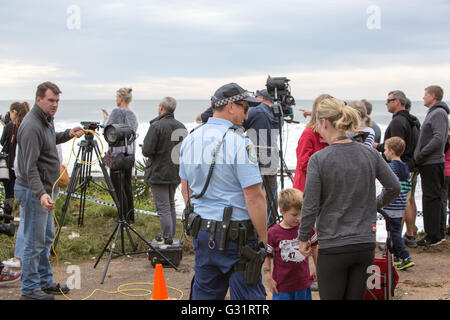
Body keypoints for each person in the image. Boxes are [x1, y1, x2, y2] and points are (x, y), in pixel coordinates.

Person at [298, 97, 400, 300]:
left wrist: (303, 237)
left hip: (333, 243)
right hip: (364, 242)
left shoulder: (319, 159)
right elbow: (394, 187)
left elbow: (310, 205)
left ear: (324, 123)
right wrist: (374, 204)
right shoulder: (369, 154)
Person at [179, 83, 267, 300]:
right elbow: (254, 197)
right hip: (237, 239)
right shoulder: (240, 143)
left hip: (202, 232)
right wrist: (264, 239)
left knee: (204, 298)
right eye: (245, 108)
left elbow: (185, 189)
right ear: (230, 106)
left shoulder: (190, 139)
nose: (247, 116)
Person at [15, 81, 85, 300]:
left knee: (45, 239)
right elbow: (29, 168)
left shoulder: (45, 120)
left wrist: (67, 134)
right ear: (39, 99)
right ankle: (29, 290)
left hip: (46, 189)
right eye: (51, 100)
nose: (55, 105)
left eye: (57, 101)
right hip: (34, 190)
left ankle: (44, 283)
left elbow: (47, 142)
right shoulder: (32, 125)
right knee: (34, 242)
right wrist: (41, 194)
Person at [374, 90, 421, 248]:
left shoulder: (398, 122)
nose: (386, 103)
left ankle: (396, 240)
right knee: (409, 199)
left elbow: (395, 145)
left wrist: (377, 146)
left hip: (403, 166)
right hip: (411, 165)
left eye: (389, 100)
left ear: (398, 102)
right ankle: (409, 235)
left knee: (401, 201)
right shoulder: (412, 120)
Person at [142, 97, 187, 244]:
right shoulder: (181, 126)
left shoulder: (156, 126)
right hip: (175, 171)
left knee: (163, 208)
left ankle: (167, 237)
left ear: (161, 108)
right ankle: (170, 237)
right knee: (170, 205)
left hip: (159, 172)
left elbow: (147, 151)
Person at [263, 188, 318, 300]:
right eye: (294, 214)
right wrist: (268, 277)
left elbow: (315, 246)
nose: (299, 218)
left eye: (301, 214)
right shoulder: (273, 233)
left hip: (303, 285)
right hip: (282, 287)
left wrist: (318, 268)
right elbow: (266, 255)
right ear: (282, 211)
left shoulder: (307, 229)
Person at [414, 85, 449, 246]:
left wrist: (421, 155)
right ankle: (435, 233)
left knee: (432, 198)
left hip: (433, 162)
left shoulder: (439, 113)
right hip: (429, 162)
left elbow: (438, 139)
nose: (423, 97)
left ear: (433, 96)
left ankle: (434, 235)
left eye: (425, 94)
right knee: (432, 198)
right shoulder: (434, 112)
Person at [102, 88, 138, 224]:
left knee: (117, 186)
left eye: (117, 97)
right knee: (127, 186)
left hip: (117, 154)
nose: (115, 100)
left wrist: (105, 118)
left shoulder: (117, 111)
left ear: (121, 98)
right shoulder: (133, 114)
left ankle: (122, 217)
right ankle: (130, 216)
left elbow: (108, 128)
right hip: (130, 154)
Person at [1, 101, 30, 269]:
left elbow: (2, 141)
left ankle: (6, 218)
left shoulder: (12, 126)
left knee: (8, 193)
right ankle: (7, 220)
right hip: (20, 171)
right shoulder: (25, 126)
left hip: (12, 167)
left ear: (13, 112)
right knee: (11, 193)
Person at [382, 137, 415, 270]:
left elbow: (388, 184)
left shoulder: (390, 167)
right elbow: (408, 186)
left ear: (391, 151)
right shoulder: (405, 166)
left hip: (391, 204)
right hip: (401, 204)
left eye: (385, 150)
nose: (384, 153)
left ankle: (405, 256)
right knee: (395, 229)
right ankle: (395, 256)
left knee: (394, 231)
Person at [292, 94, 331, 192]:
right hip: (307, 187)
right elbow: (304, 163)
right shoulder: (309, 133)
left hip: (323, 185)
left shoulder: (330, 133)